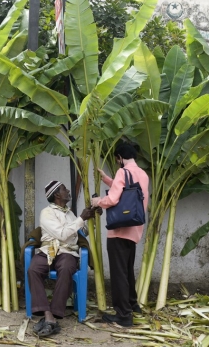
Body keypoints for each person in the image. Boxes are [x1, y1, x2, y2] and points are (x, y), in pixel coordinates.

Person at [28, 181, 99, 337]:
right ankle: (48, 315)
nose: (68, 191)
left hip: (67, 251)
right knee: (33, 269)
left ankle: (52, 315)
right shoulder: (46, 212)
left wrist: (90, 217)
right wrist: (81, 218)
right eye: (64, 189)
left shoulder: (69, 213)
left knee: (66, 268)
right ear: (57, 195)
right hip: (49, 249)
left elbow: (83, 232)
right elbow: (61, 234)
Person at [91, 142, 149, 327]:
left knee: (119, 274)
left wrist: (97, 201)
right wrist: (107, 179)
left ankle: (123, 315)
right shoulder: (142, 174)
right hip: (134, 230)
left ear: (119, 158)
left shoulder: (123, 172)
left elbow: (114, 198)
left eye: (117, 159)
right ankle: (132, 305)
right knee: (127, 271)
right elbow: (129, 191)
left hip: (119, 230)